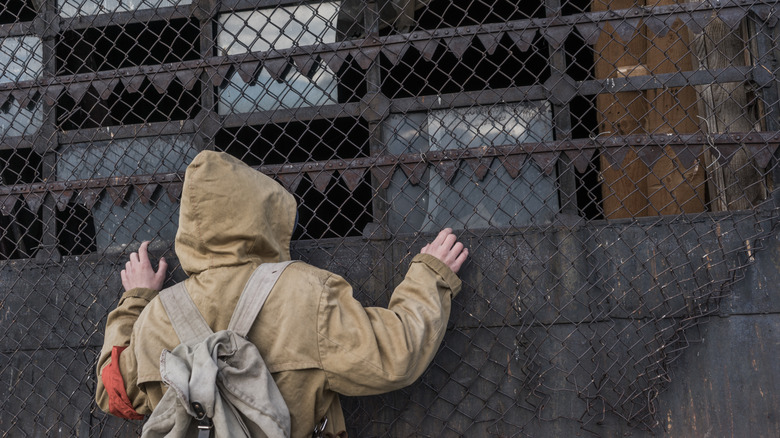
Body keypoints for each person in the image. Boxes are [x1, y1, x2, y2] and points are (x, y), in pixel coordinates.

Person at [95, 150, 468, 437]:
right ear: (264, 214)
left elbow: (113, 393)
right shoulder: (307, 291)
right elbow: (396, 355)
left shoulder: (156, 316)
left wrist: (137, 300)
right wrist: (430, 276)